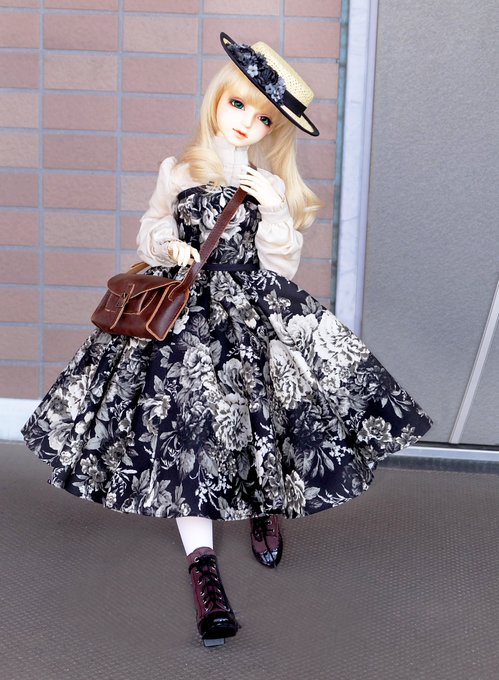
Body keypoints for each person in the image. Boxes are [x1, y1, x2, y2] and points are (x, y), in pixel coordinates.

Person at [21, 32, 433, 647]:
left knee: (262, 412)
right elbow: (150, 227)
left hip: (252, 309)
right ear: (217, 98)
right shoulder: (179, 169)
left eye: (264, 117)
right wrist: (170, 246)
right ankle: (203, 567)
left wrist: (274, 210)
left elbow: (281, 266)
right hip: (184, 315)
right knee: (188, 427)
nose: (248, 121)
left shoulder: (270, 182)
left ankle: (263, 505)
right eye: (238, 104)